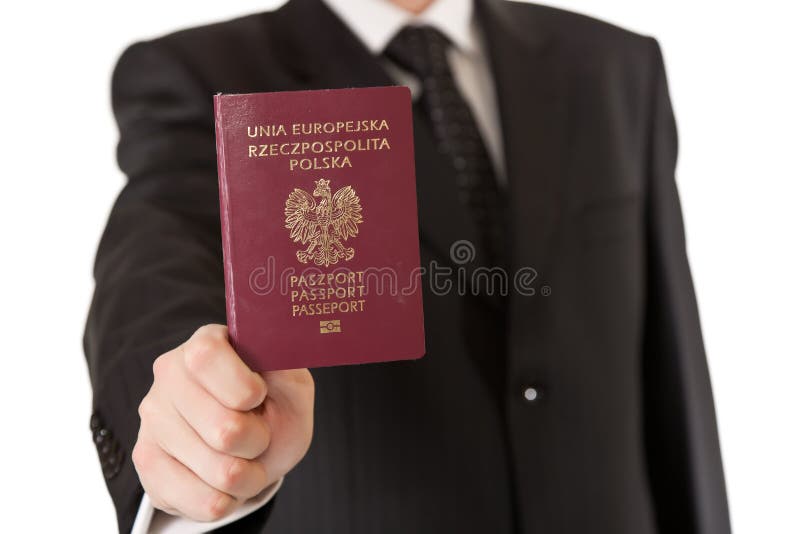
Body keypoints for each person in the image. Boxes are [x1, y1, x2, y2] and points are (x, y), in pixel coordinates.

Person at [84, 0, 732, 532]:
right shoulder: (204, 74)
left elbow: (668, 361)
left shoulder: (614, 65)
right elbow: (152, 262)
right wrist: (185, 397)